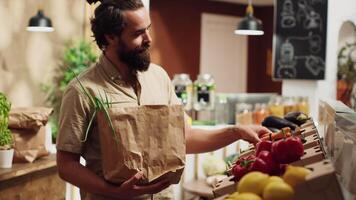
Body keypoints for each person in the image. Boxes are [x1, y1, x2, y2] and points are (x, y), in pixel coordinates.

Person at [56, 0, 271, 199]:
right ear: (111, 37)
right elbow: (66, 165)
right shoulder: (82, 90)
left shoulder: (158, 77)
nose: (149, 39)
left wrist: (236, 132)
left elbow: (183, 138)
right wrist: (114, 192)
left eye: (148, 29)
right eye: (138, 33)